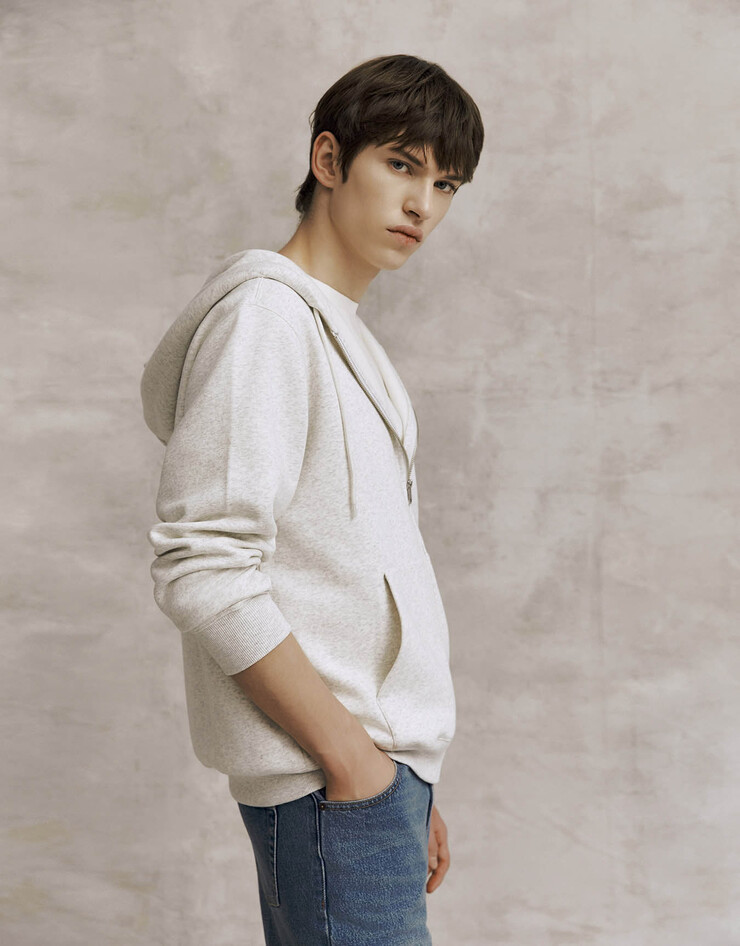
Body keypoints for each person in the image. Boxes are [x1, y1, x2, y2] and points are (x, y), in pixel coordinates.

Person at [140, 53, 484, 945]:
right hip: (333, 783)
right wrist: (351, 759)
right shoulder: (266, 320)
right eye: (401, 165)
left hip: (370, 783)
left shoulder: (343, 338)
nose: (423, 205)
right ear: (329, 160)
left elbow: (357, 571)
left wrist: (401, 769)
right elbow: (204, 563)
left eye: (446, 184)